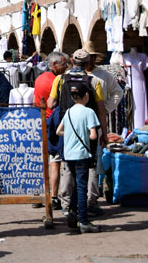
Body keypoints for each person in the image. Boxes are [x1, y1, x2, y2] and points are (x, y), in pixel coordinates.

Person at [47, 49, 107, 219]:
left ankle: (66, 204)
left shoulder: (60, 79)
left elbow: (51, 104)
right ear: (88, 64)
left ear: (72, 61)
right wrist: (105, 133)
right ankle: (90, 202)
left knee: (68, 167)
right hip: (89, 130)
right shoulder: (94, 81)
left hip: (68, 129)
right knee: (91, 166)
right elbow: (101, 110)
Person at [56, 82, 100, 233]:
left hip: (69, 155)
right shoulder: (89, 112)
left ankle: (72, 214)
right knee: (82, 188)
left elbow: (58, 131)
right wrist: (86, 135)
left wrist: (69, 135)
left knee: (75, 185)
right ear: (86, 95)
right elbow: (93, 135)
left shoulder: (68, 112)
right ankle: (83, 221)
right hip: (82, 154)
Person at [34, 52, 67, 209]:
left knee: (42, 161)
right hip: (53, 122)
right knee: (55, 162)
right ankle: (53, 197)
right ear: (54, 65)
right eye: (64, 64)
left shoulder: (39, 78)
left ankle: (38, 194)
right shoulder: (57, 81)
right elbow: (54, 102)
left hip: (41, 121)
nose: (66, 67)